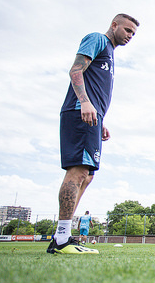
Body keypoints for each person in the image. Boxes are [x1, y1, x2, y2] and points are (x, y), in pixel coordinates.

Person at [47, 14, 139, 255]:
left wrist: (102, 120)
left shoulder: (110, 53)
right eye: (127, 30)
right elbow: (76, 70)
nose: (129, 36)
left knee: (87, 176)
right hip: (80, 111)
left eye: (133, 34)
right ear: (114, 25)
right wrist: (85, 103)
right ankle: (62, 240)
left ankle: (60, 235)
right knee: (78, 171)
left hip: (93, 117)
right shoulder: (97, 39)